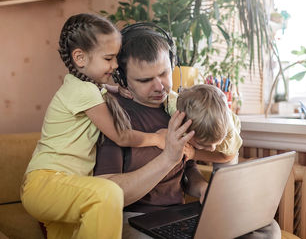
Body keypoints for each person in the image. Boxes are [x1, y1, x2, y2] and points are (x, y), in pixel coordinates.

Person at [94, 24, 281, 238]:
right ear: (121, 79)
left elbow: (187, 170)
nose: (159, 87)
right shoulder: (111, 115)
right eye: (145, 80)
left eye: (164, 73)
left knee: (267, 228)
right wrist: (167, 158)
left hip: (178, 214)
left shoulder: (176, 107)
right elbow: (108, 193)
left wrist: (202, 189)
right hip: (134, 219)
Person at [20, 13, 181, 239]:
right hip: (47, 183)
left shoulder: (87, 88)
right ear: (80, 58)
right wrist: (156, 139)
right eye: (109, 58)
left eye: (116, 58)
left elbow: (102, 92)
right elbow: (121, 137)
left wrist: (117, 89)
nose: (115, 66)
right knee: (108, 194)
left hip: (68, 186)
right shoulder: (84, 91)